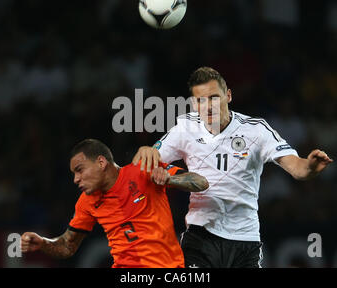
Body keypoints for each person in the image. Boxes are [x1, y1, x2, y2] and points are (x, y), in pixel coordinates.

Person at [132, 66, 333, 268]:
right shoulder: (185, 128)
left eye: (214, 97)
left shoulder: (256, 130)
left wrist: (310, 166)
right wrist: (149, 155)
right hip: (201, 237)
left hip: (245, 240)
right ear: (194, 103)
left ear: (228, 95)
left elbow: (298, 169)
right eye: (201, 100)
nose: (208, 106)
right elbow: (145, 163)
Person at [21, 138, 208, 268]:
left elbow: (201, 182)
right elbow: (67, 245)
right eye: (74, 174)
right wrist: (43, 243)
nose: (76, 179)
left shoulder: (142, 170)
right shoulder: (86, 202)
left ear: (101, 162)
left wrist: (169, 179)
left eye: (79, 170)